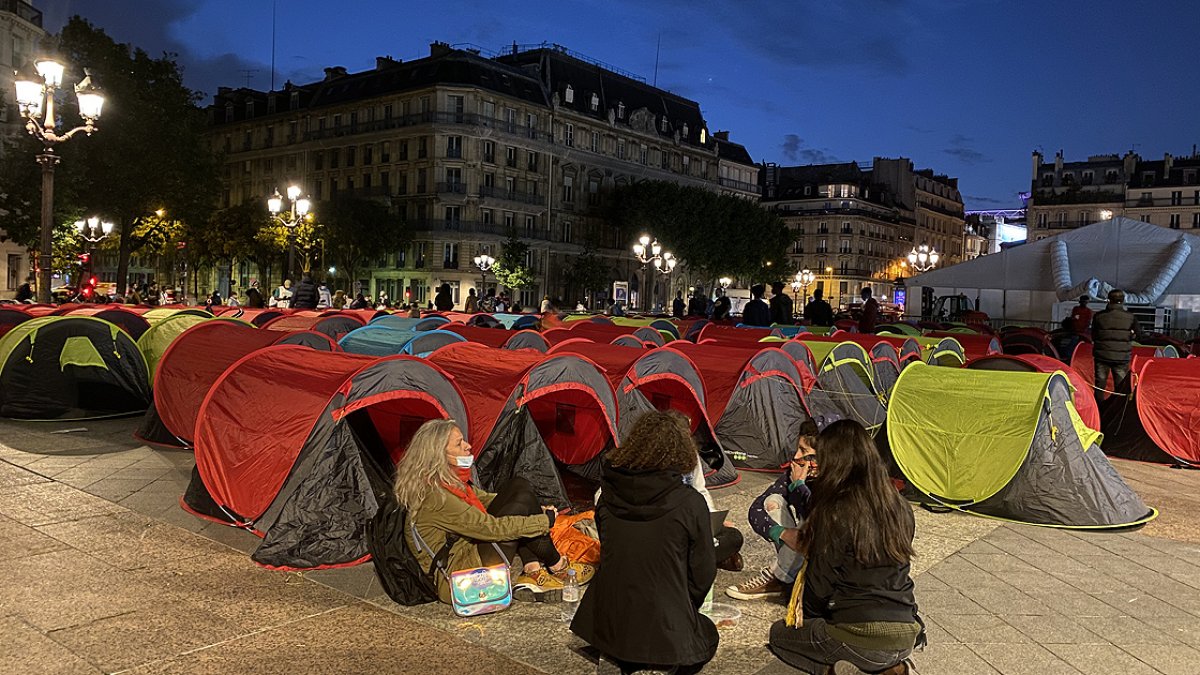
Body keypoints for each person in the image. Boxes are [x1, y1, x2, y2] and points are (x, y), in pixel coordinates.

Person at [768, 420, 922, 675]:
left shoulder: (836, 510)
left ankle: (845, 670)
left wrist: (811, 618)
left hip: (860, 633)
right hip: (906, 631)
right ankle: (888, 669)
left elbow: (820, 584)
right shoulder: (901, 506)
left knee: (779, 635)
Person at [571, 412, 719, 675]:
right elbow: (703, 573)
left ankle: (623, 654)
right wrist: (683, 605)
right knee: (707, 633)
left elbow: (611, 554)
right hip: (665, 621)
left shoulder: (606, 498)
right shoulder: (690, 503)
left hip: (608, 621)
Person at [394, 420, 593, 605]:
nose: (468, 446)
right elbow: (491, 529)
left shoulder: (444, 483)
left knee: (519, 487)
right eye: (459, 444)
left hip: (468, 553)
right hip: (460, 580)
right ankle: (557, 567)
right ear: (439, 456)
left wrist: (534, 509)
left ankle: (534, 570)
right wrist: (542, 521)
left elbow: (487, 499)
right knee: (519, 504)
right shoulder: (437, 498)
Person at [727, 422, 819, 601]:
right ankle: (785, 576)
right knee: (773, 501)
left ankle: (779, 576)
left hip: (828, 555)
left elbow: (819, 514)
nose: (796, 456)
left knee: (810, 520)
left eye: (803, 451)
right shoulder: (797, 472)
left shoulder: (839, 481)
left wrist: (799, 487)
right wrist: (783, 533)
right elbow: (756, 510)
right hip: (804, 545)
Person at [1091, 289, 1144, 397]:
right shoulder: (1130, 317)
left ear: (1108, 300)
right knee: (1120, 387)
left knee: (1099, 385)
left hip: (1102, 356)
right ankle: (1118, 410)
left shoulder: (1099, 316)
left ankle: (1099, 410)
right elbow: (1139, 336)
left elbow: (1093, 335)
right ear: (1123, 300)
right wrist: (1131, 336)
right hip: (1121, 357)